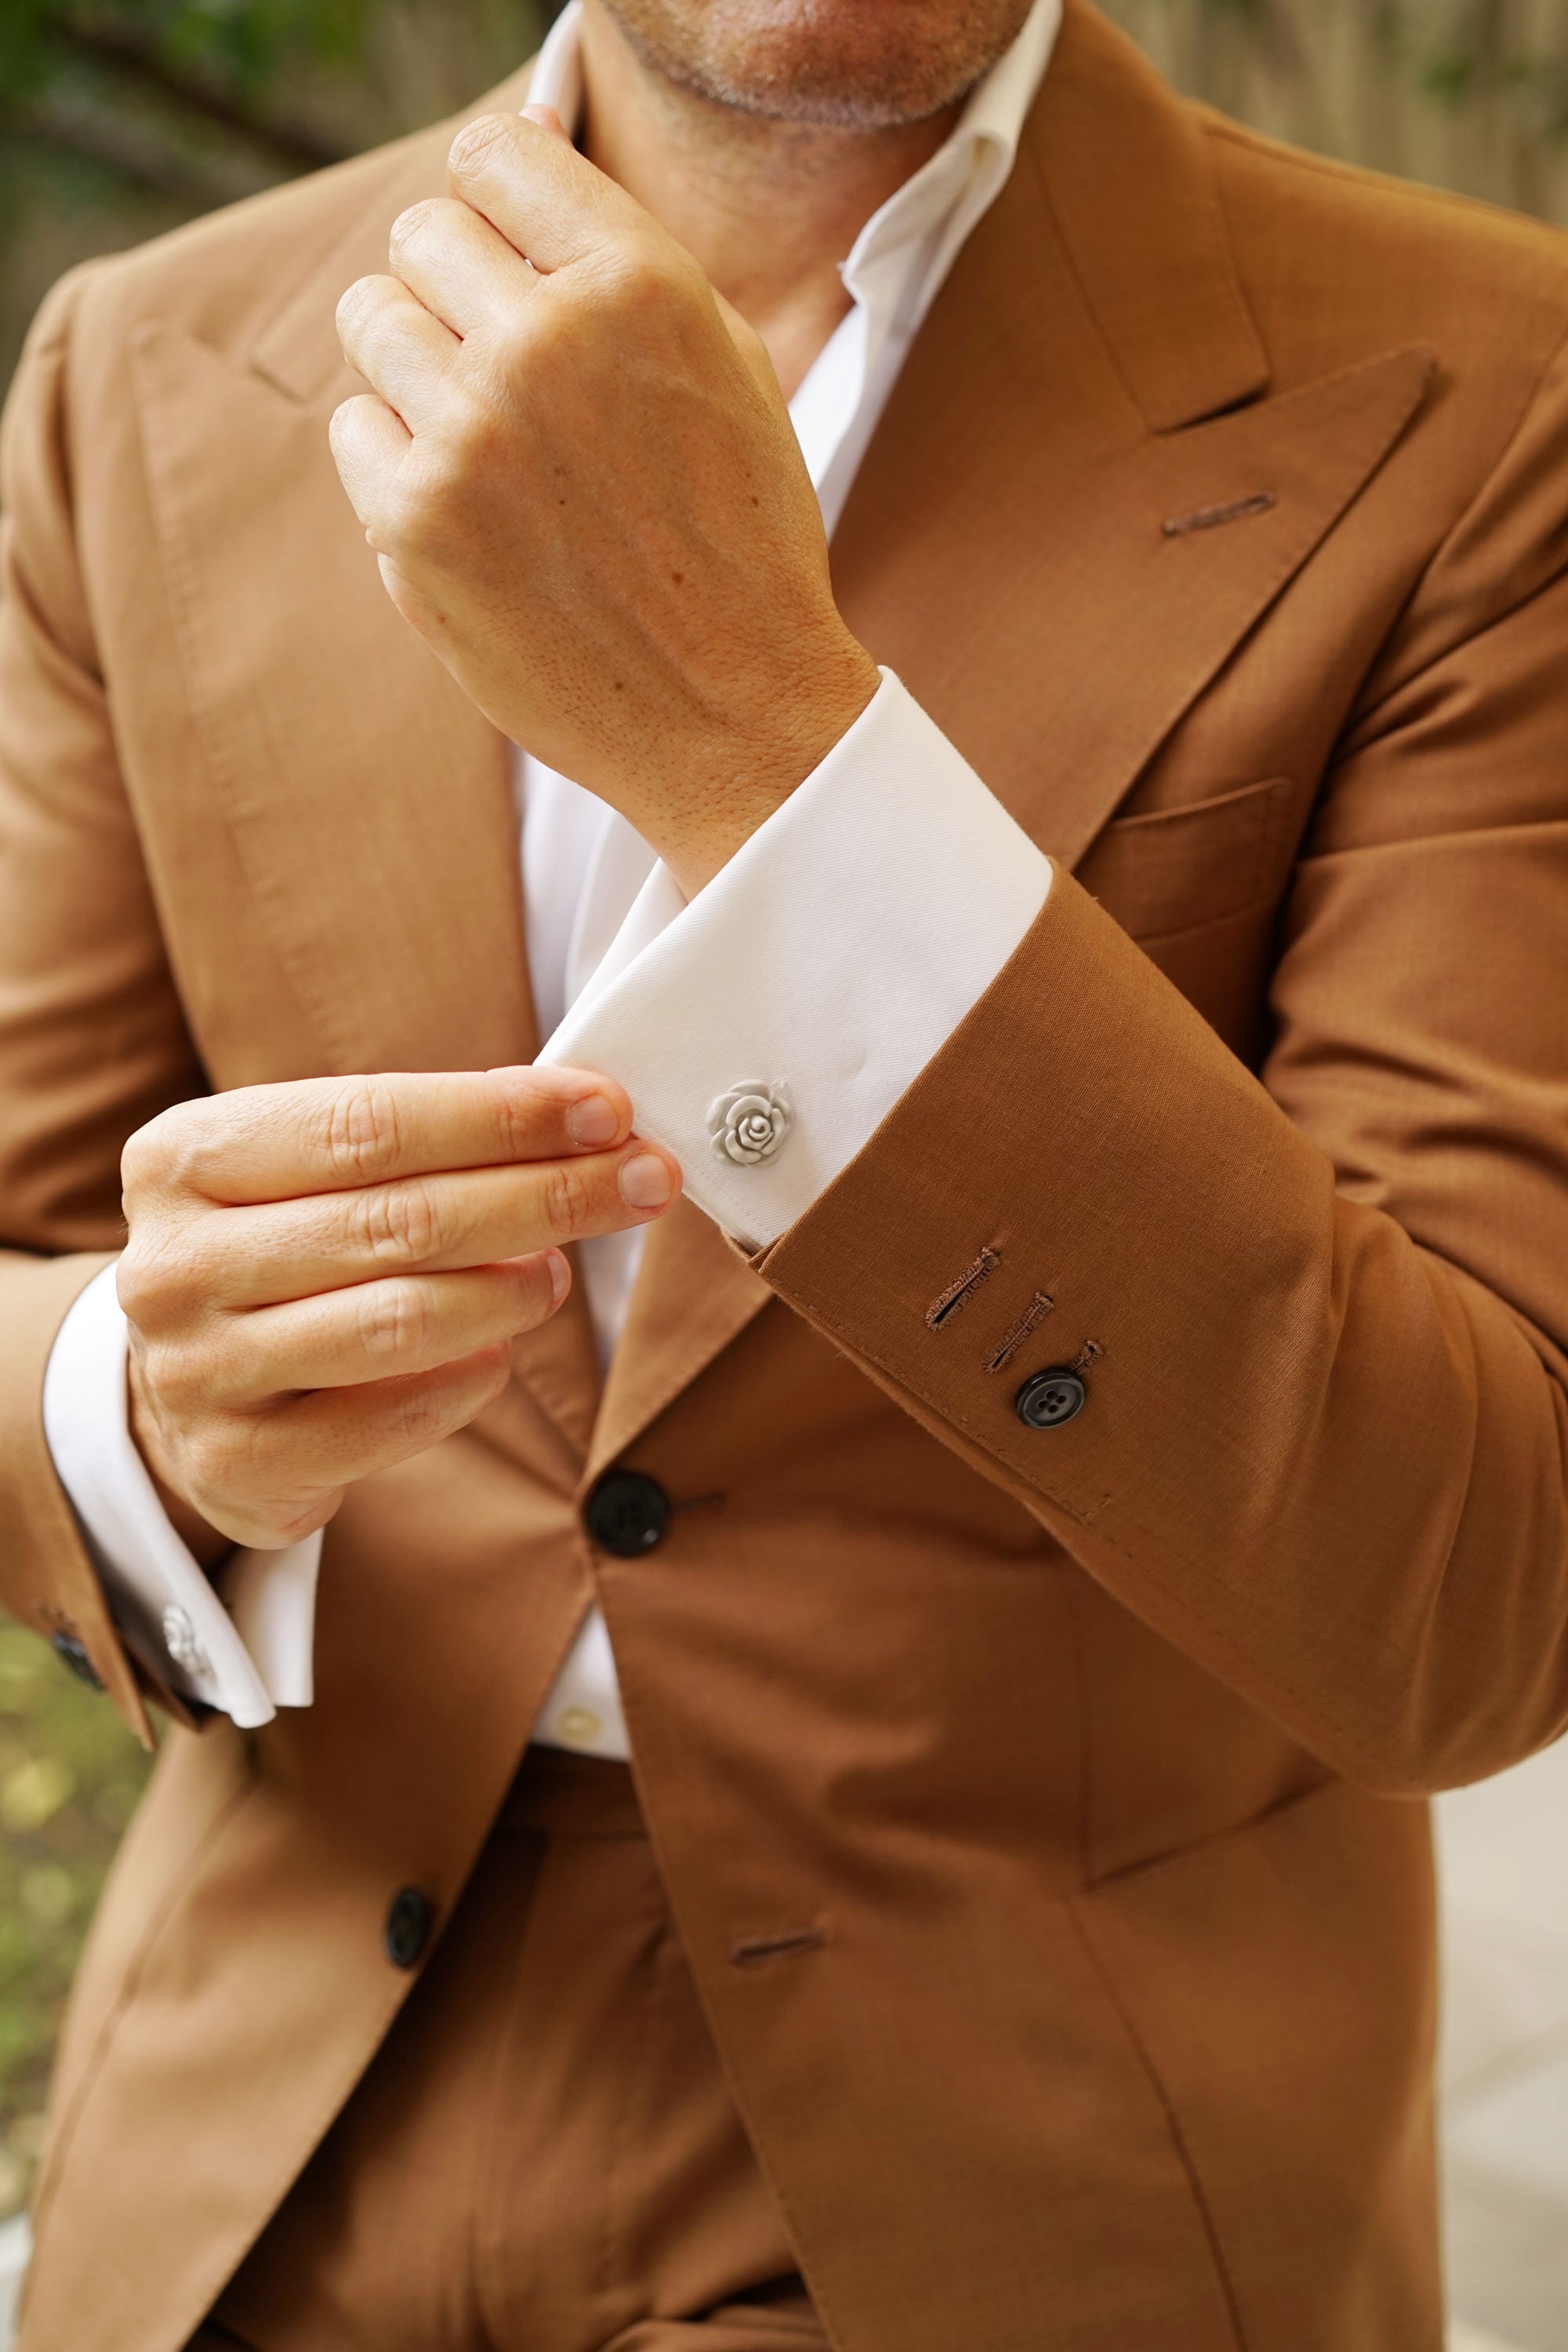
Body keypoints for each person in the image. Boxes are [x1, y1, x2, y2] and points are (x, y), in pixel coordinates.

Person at [2, 0, 1566, 2341]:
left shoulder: (1493, 384)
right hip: (259, 2142)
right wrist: (129, 1409)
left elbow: (1483, 1588)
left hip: (1034, 2165)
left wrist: (763, 746)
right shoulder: (139, 367)